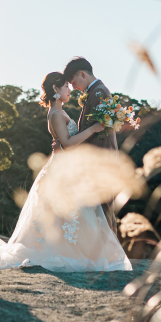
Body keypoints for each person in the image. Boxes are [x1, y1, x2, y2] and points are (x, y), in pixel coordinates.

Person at [0, 72, 132, 272]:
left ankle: (72, 250)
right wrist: (94, 129)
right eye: (66, 86)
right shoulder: (56, 114)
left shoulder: (59, 112)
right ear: (56, 90)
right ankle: (64, 252)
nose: (70, 90)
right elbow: (67, 143)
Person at [61, 57, 120, 236]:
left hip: (101, 160)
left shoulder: (98, 92)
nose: (73, 87)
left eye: (73, 82)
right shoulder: (95, 91)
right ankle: (107, 254)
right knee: (100, 209)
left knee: (103, 209)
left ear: (82, 74)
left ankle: (112, 256)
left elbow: (96, 130)